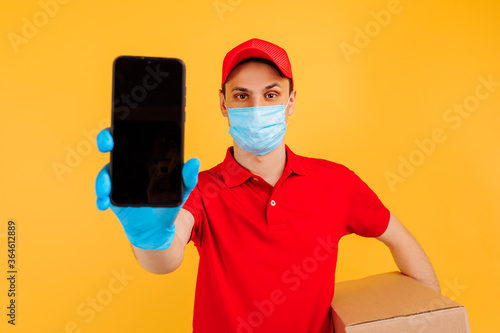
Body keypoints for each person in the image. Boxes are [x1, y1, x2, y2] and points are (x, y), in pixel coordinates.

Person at [95, 38, 440, 333]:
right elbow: (165, 261)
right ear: (223, 104)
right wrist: (150, 236)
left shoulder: (336, 182)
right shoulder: (198, 188)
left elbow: (397, 236)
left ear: (291, 101)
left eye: (271, 94)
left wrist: (432, 313)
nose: (257, 107)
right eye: (242, 96)